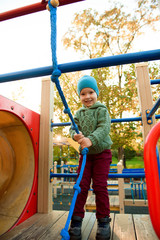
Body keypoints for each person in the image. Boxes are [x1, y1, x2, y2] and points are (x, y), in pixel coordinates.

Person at [69, 75, 113, 240]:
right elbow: (72, 128)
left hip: (102, 154)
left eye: (91, 92)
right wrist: (75, 136)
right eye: (83, 93)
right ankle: (76, 222)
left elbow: (104, 128)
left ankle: (103, 222)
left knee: (100, 186)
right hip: (86, 156)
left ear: (97, 93)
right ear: (79, 96)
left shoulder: (102, 110)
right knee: (80, 186)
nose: (87, 97)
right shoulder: (78, 113)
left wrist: (90, 140)